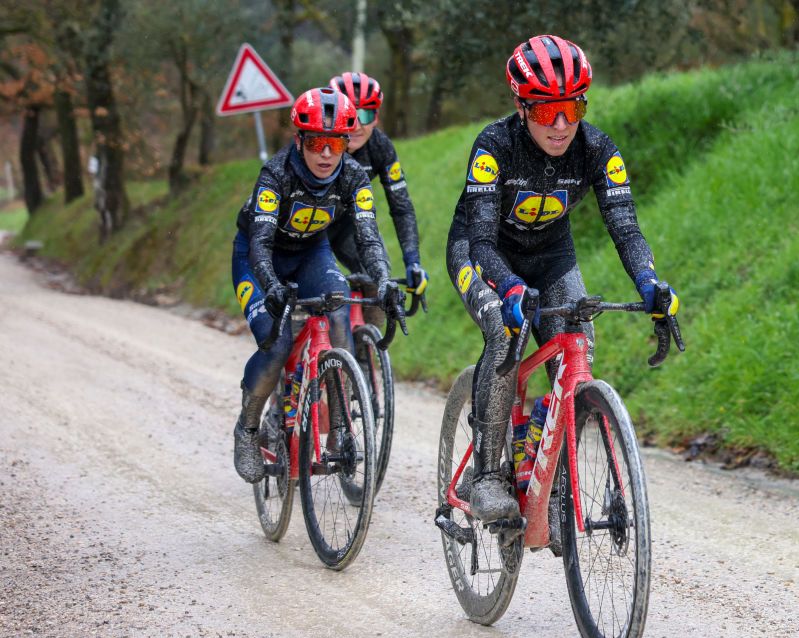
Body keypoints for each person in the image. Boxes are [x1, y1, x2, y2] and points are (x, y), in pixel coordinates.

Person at [445, 35, 680, 538]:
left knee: (579, 348)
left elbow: (626, 227)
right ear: (521, 107)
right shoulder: (494, 146)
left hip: (551, 257)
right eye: (545, 110)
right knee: (503, 332)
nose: (559, 124)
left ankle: (544, 471)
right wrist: (508, 287)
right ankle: (486, 474)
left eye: (571, 109)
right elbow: (481, 241)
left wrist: (650, 282)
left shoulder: (597, 149)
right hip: (483, 253)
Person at [231, 87, 396, 483]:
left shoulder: (354, 176)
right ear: (299, 140)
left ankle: (339, 428)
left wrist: (384, 280)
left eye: (335, 144)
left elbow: (368, 237)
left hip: (310, 252)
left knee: (338, 308)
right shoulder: (276, 174)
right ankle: (247, 429)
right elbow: (260, 243)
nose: (325, 154)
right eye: (315, 143)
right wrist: (271, 284)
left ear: (345, 144)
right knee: (277, 343)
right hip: (258, 259)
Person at [328, 72, 428, 307]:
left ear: (376, 118)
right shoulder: (316, 145)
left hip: (345, 224)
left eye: (365, 115)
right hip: (306, 228)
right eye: (348, 115)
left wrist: (413, 261)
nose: (356, 125)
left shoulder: (380, 147)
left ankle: (367, 331)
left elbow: (401, 207)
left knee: (379, 282)